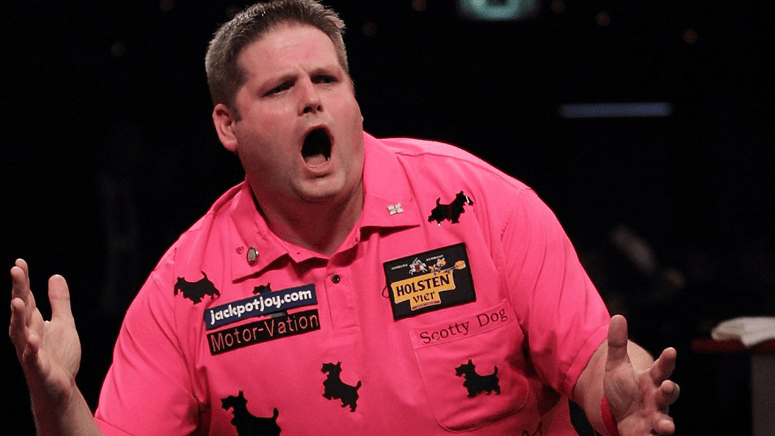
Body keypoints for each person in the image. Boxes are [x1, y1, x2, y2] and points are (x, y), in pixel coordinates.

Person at [9, 0, 680, 434]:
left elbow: (595, 360)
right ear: (228, 125)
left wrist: (620, 398)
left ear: (354, 100)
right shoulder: (185, 288)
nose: (312, 100)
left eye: (327, 80)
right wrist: (59, 402)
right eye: (281, 88)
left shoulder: (481, 205)